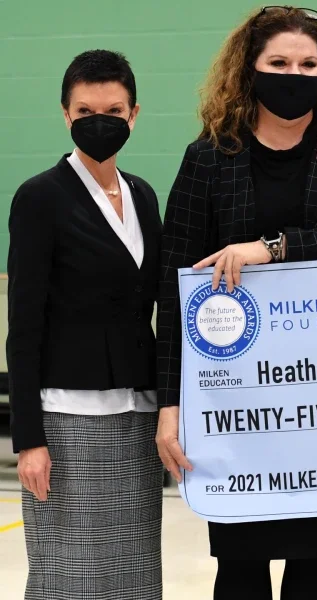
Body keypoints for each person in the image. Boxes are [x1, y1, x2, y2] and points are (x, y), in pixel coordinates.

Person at [154, 7, 317, 599]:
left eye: (308, 64)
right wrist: (171, 403)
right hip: (234, 398)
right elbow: (173, 282)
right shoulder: (211, 155)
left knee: (315, 565)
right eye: (279, 63)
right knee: (239, 566)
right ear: (250, 69)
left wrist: (276, 248)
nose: (295, 74)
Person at [7, 49, 163, 599]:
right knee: (69, 576)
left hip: (136, 416)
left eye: (114, 110)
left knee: (133, 576)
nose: (101, 121)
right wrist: (28, 439)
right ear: (66, 115)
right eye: (86, 110)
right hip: (67, 421)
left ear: (134, 114)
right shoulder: (39, 197)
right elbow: (22, 325)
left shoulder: (144, 195)